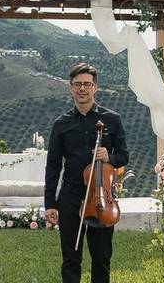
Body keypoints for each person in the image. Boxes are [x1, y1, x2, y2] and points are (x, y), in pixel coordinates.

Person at [44, 63, 129, 283]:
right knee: (71, 258)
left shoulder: (112, 119)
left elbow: (124, 156)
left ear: (95, 88)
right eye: (78, 84)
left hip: (101, 199)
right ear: (70, 88)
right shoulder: (61, 124)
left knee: (101, 259)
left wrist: (109, 157)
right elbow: (53, 165)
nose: (82, 88)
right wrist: (50, 203)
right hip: (71, 197)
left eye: (87, 84)